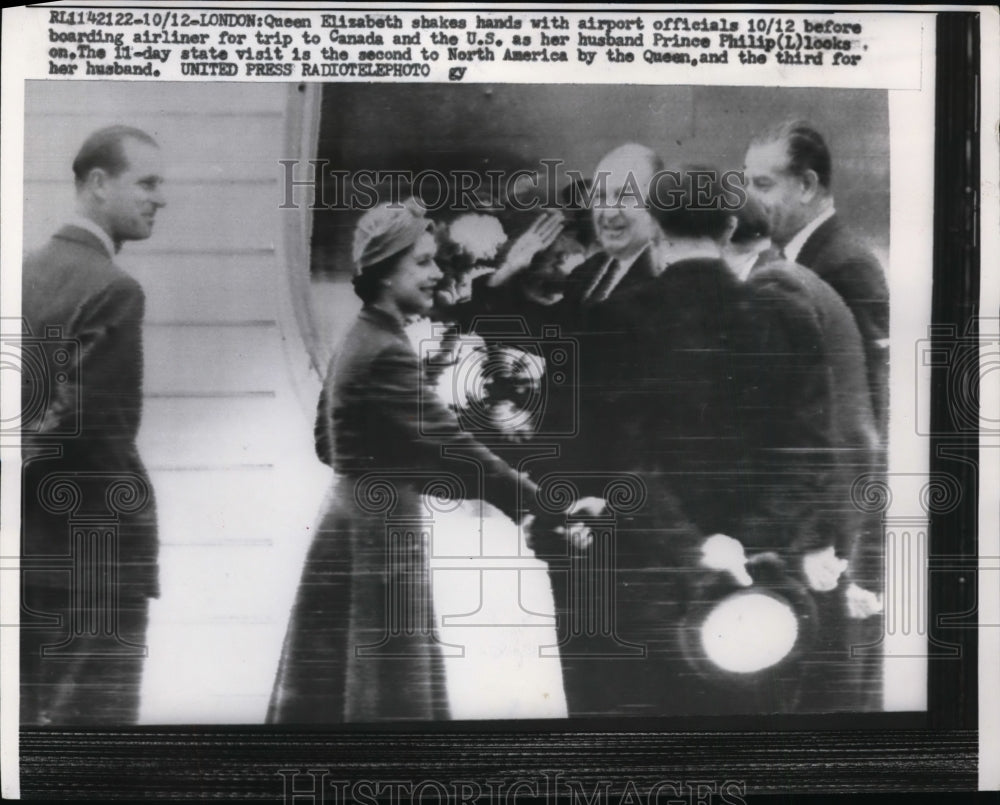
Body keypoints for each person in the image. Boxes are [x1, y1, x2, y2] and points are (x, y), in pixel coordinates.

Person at [267, 200, 602, 722]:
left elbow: (327, 444)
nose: (437, 273)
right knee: (386, 687)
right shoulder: (389, 349)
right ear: (384, 272)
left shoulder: (363, 335)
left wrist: (390, 464)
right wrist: (547, 504)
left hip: (351, 520)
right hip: (381, 529)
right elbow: (456, 449)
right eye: (421, 262)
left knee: (343, 685)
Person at [20, 125, 166, 724]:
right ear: (99, 184)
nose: (160, 198)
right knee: (92, 745)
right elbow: (88, 427)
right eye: (148, 183)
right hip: (95, 561)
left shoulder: (25, 272)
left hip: (28, 550)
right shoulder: (115, 289)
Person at [743, 120, 890, 437]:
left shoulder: (848, 267)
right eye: (746, 184)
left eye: (763, 185)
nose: (747, 199)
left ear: (807, 185)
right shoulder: (786, 259)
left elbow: (865, 411)